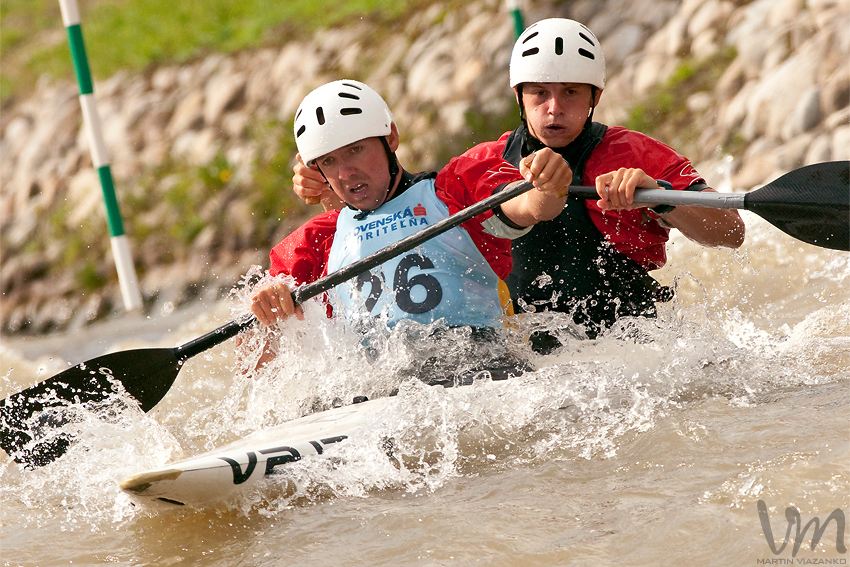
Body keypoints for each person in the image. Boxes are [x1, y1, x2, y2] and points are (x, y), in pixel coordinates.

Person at [292, 19, 746, 352]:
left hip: (639, 345)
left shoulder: (636, 156)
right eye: (540, 94)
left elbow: (730, 233)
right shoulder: (484, 163)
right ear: (519, 97)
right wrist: (336, 180)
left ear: (595, 98)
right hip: (536, 359)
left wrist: (660, 196)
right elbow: (415, 206)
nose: (554, 109)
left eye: (571, 93)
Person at [248, 79, 572, 385]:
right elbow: (257, 365)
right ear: (316, 170)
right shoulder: (318, 239)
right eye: (330, 161)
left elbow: (531, 206)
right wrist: (267, 306)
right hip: (380, 391)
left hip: (483, 367)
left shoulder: (454, 191)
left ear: (390, 138)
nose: (346, 172)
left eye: (356, 150)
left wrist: (548, 185)